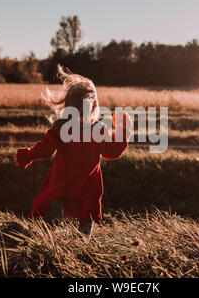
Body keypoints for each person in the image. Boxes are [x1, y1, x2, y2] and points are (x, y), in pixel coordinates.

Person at [15, 65, 132, 237]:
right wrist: (123, 130)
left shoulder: (62, 127)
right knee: (86, 218)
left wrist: (28, 155)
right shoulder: (98, 129)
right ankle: (81, 245)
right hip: (87, 187)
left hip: (63, 185)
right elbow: (112, 151)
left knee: (52, 216)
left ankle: (45, 241)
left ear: (68, 104)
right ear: (93, 106)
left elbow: (45, 149)